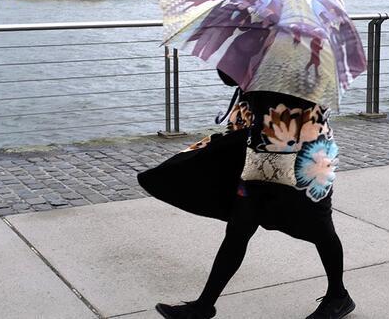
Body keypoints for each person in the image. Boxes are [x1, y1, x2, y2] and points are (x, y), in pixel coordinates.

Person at [151, 71, 355, 319]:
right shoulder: (261, 44)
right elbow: (229, 77)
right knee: (239, 228)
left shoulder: (311, 52)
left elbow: (304, 100)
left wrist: (265, 77)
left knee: (321, 228)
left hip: (307, 157)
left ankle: (338, 295)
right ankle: (204, 306)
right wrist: (239, 52)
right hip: (259, 155)